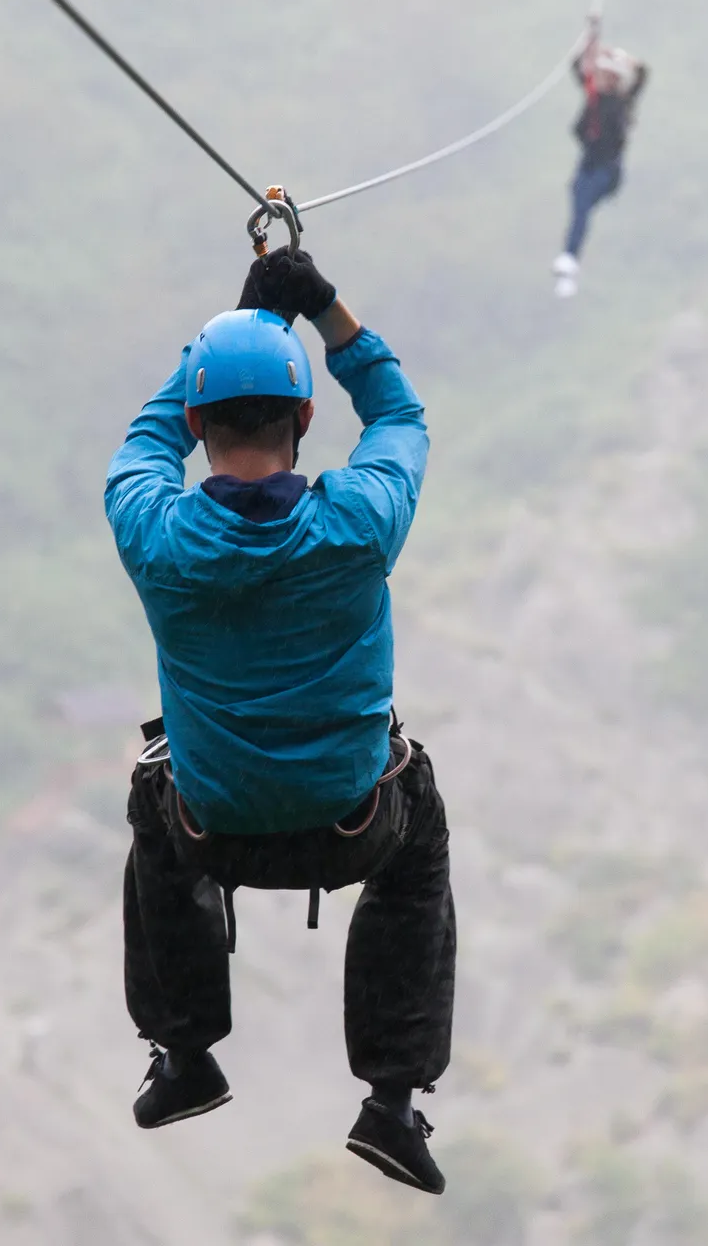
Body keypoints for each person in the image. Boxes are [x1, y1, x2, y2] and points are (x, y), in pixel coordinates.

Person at [104, 246, 455, 1196]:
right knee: (418, 821)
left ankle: (183, 1056)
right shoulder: (359, 523)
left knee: (152, 788)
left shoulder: (156, 535)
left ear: (195, 421)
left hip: (210, 836)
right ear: (306, 419)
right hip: (354, 832)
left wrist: (242, 321)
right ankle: (391, 1098)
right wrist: (322, 313)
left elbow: (144, 438)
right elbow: (398, 415)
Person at [553, 28, 649, 299]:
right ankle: (568, 263)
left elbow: (642, 76)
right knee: (578, 208)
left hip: (608, 170)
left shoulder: (621, 102)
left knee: (582, 203)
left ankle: (570, 262)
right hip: (588, 164)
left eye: (610, 75)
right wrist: (589, 45)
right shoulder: (593, 95)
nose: (605, 78)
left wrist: (623, 59)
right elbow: (577, 67)